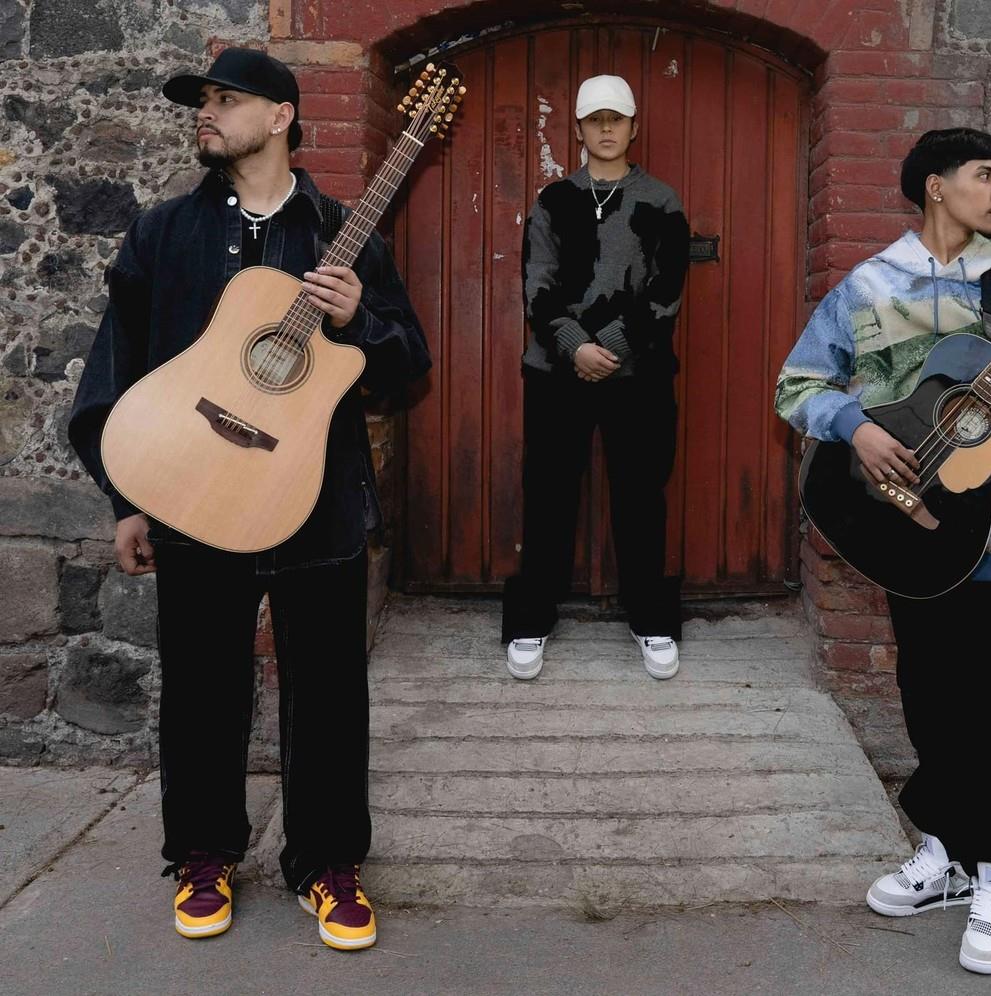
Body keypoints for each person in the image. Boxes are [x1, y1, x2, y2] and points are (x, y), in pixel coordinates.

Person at [68, 48, 430, 951]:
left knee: (332, 694)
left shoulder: (347, 232)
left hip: (316, 501)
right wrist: (126, 498)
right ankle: (203, 854)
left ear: (281, 116)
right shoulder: (161, 233)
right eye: (202, 101)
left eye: (224, 100)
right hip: (191, 498)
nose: (205, 112)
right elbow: (120, 368)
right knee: (200, 686)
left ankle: (328, 864)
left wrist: (362, 321)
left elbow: (406, 374)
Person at [775, 128, 991, 975]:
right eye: (985, 175)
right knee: (929, 692)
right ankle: (948, 851)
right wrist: (855, 428)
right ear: (936, 187)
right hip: (906, 532)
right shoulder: (870, 286)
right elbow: (797, 385)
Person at [501, 74, 690, 681]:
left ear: (634, 127)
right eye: (594, 119)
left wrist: (608, 345)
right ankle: (532, 618)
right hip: (557, 373)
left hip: (639, 375)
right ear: (579, 129)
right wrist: (574, 346)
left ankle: (651, 619)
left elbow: (667, 290)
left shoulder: (661, 201)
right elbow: (538, 285)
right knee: (550, 493)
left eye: (617, 118)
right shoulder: (553, 202)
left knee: (640, 495)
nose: (606, 129)